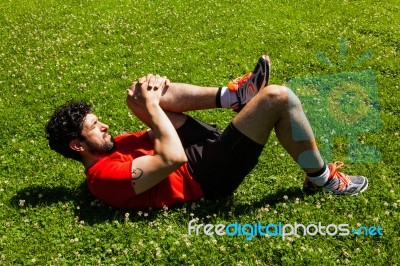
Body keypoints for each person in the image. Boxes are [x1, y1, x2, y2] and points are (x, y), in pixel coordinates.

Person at [45, 55, 368, 209]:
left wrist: (147, 99)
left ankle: (234, 97)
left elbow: (160, 132)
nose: (105, 126)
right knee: (278, 97)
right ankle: (322, 179)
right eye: (94, 127)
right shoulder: (104, 178)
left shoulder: (117, 145)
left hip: (197, 152)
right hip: (203, 177)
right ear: (77, 146)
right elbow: (172, 156)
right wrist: (154, 107)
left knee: (136, 94)